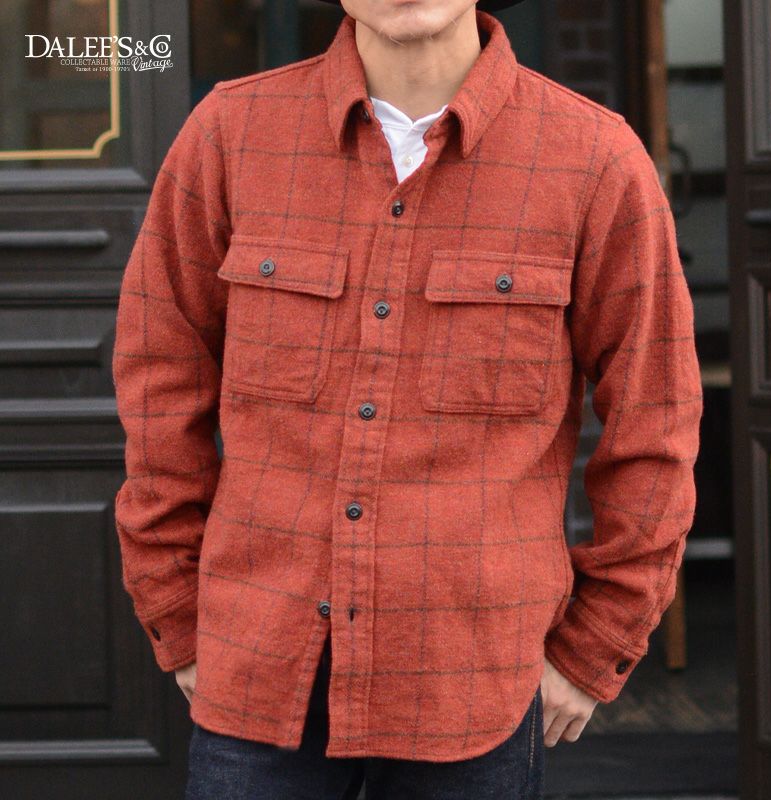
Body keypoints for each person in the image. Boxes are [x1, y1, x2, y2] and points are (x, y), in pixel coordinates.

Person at [111, 1, 703, 798]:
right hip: (257, 666)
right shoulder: (229, 134)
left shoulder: (594, 157)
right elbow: (159, 377)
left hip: (476, 682)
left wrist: (596, 645)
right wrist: (175, 611)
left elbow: (656, 421)